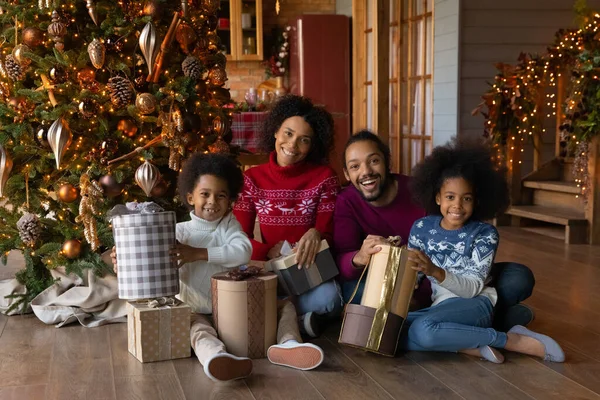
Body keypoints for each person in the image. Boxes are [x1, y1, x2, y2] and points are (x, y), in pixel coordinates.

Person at [112, 153, 324, 382]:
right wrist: (123, 259)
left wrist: (198, 254)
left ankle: (288, 344)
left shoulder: (228, 225)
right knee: (198, 331)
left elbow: (243, 251)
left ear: (230, 201)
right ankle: (216, 357)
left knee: (285, 307)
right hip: (193, 308)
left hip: (232, 307)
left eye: (221, 195)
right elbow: (148, 260)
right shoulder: (178, 232)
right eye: (205, 194)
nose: (213, 201)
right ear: (191, 197)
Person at [334, 130, 536, 332]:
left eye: (374, 161)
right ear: (346, 173)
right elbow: (343, 263)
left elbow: (457, 231)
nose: (366, 171)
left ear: (387, 162)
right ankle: (488, 317)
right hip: (394, 282)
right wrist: (359, 257)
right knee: (354, 291)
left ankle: (427, 319)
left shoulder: (419, 189)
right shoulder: (346, 201)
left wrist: (427, 269)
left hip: (447, 274)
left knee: (519, 277)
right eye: (355, 166)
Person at [399, 138, 564, 363]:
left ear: (477, 201)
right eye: (450, 197)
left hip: (476, 304)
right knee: (392, 332)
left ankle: (508, 340)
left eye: (466, 198)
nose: (457, 205)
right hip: (441, 308)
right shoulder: (421, 228)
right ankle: (470, 346)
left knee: (421, 331)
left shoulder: (484, 234)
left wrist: (435, 271)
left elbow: (473, 288)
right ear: (437, 198)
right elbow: (413, 277)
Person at [233, 95, 343, 336]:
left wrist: (316, 233)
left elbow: (330, 235)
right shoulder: (252, 179)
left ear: (313, 145)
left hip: (310, 272)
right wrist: (266, 250)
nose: (293, 145)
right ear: (275, 131)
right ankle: (298, 320)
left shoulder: (325, 177)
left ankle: (281, 317)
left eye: (304, 140)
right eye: (288, 133)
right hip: (269, 271)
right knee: (239, 296)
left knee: (331, 298)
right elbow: (237, 238)